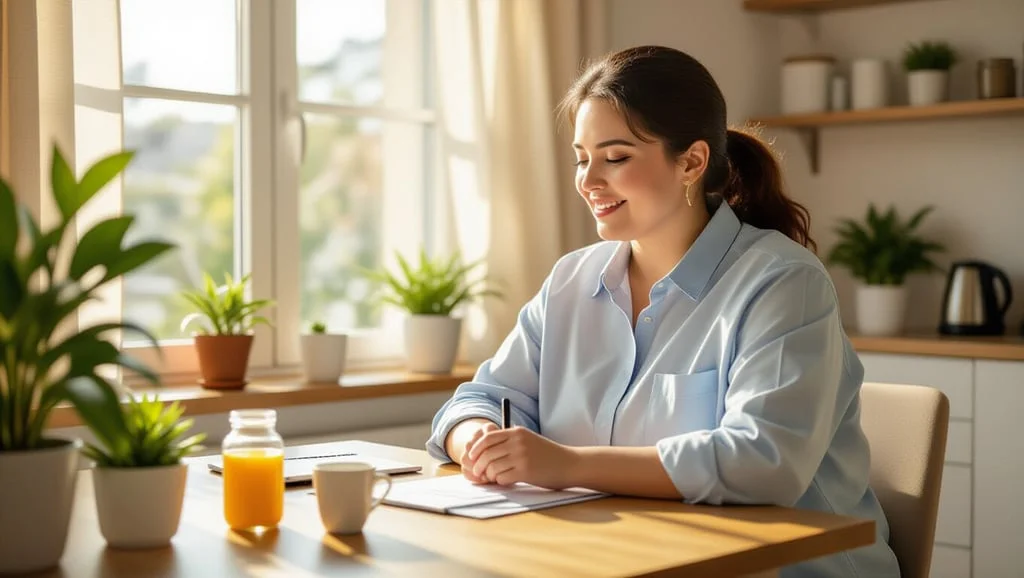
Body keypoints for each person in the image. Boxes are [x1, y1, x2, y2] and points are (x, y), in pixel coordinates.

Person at [425, 45, 900, 577]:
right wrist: (479, 443)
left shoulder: (783, 282)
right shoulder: (570, 280)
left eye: (616, 157)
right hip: (631, 558)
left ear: (692, 162)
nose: (588, 180)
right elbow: (481, 398)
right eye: (582, 158)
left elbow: (765, 463)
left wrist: (566, 464)